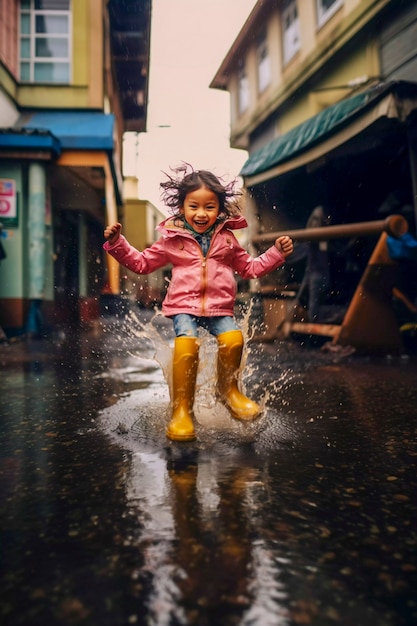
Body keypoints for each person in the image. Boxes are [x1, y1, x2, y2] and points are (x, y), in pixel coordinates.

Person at [103, 165, 293, 442]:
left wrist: (275, 253)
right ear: (182, 207)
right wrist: (118, 243)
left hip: (218, 307)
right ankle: (181, 410)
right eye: (194, 206)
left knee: (233, 339)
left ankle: (228, 391)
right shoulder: (172, 239)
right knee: (187, 343)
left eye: (209, 207)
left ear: (219, 209)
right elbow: (142, 264)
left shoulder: (227, 239)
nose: (201, 213)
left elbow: (250, 269)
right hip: (184, 306)